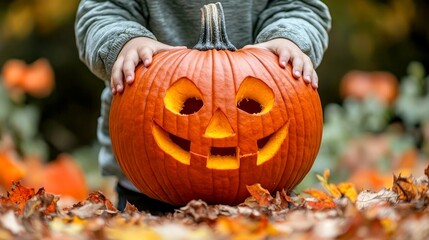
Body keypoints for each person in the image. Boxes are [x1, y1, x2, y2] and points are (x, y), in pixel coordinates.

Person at [75, 0, 331, 214]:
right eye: (188, 105)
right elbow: (103, 10)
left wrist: (289, 38)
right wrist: (126, 43)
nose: (218, 130)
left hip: (265, 189)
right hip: (146, 187)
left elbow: (299, 6)